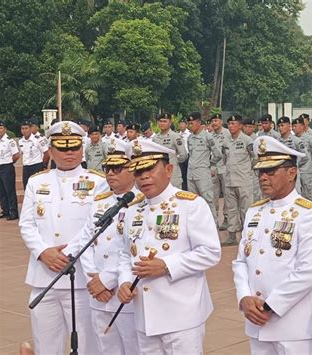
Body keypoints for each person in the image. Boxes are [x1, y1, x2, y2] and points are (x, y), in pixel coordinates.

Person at [117, 138, 221, 354]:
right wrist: (124, 281)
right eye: (137, 172)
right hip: (145, 314)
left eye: (149, 169)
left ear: (169, 169)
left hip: (181, 313)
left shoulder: (190, 204)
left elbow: (210, 252)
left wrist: (166, 265)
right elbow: (125, 254)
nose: (144, 176)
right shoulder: (132, 210)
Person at [232, 136, 312, 354]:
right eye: (260, 172)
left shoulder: (311, 215)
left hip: (296, 327)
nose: (263, 177)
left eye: (271, 171)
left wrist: (269, 306)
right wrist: (244, 297)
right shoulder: (254, 212)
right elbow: (241, 262)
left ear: (292, 172)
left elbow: (308, 272)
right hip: (257, 322)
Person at [19, 120, 106, 354]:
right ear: (51, 150)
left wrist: (67, 255)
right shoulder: (37, 182)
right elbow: (26, 224)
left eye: (74, 147)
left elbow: (94, 227)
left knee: (88, 346)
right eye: (62, 147)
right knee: (46, 345)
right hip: (43, 277)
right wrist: (43, 252)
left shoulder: (98, 182)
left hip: (80, 279)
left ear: (82, 148)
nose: (69, 153)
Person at [80, 138, 140, 355]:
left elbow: (131, 251)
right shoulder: (100, 201)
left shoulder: (142, 203)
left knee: (133, 348)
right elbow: (86, 242)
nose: (111, 173)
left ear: (133, 170)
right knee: (106, 348)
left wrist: (106, 281)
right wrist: (93, 279)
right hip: (98, 292)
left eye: (117, 168)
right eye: (107, 168)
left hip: (124, 292)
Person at [220, 114, 254, 246]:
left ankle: (249, 236)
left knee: (247, 209)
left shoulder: (247, 140)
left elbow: (254, 157)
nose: (231, 126)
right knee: (231, 209)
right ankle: (232, 236)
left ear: (240, 125)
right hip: (229, 180)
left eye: (234, 124)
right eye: (229, 124)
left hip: (244, 180)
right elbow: (224, 158)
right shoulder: (226, 141)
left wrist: (247, 171)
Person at [186, 112, 222, 222]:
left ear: (199, 122)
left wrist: (208, 164)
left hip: (203, 174)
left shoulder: (208, 137)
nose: (189, 125)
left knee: (208, 200)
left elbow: (218, 155)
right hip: (191, 174)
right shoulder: (190, 138)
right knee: (192, 201)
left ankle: (213, 225)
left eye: (191, 123)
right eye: (188, 123)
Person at [153, 113, 188, 189]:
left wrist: (174, 161)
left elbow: (183, 155)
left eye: (165, 121)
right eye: (160, 121)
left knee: (175, 198)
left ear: (170, 123)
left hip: (173, 174)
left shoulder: (175, 136)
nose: (162, 123)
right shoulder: (155, 138)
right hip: (159, 173)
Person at [210, 113, 231, 230]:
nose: (214, 123)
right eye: (212, 121)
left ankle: (227, 219)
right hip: (213, 169)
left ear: (221, 122)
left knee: (227, 195)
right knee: (213, 195)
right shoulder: (209, 136)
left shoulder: (227, 134)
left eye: (216, 120)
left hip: (225, 168)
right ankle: (214, 219)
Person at [19, 119, 49, 189]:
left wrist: (44, 165)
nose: (24, 130)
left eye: (26, 128)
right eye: (22, 129)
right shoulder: (20, 141)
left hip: (36, 166)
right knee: (27, 187)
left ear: (30, 129)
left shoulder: (38, 139)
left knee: (37, 187)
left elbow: (46, 154)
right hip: (26, 167)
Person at [292, 116, 312, 201]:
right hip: (296, 170)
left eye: (296, 126)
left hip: (307, 170)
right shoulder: (292, 139)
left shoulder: (309, 138)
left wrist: (311, 165)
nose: (294, 128)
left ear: (302, 126)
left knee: (308, 193)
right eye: (293, 126)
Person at [0, 120, 19, 220]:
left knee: (9, 190)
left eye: (0, 128)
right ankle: (5, 210)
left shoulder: (9, 141)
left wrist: (9, 163)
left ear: (5, 129)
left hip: (7, 167)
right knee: (1, 191)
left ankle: (13, 212)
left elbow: (16, 155)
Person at [178, 119, 191, 191]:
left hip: (188, 155)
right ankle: (183, 188)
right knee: (182, 173)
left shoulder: (190, 134)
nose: (181, 125)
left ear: (186, 125)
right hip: (180, 156)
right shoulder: (177, 135)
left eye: (183, 124)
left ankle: (189, 188)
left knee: (188, 173)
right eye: (180, 124)